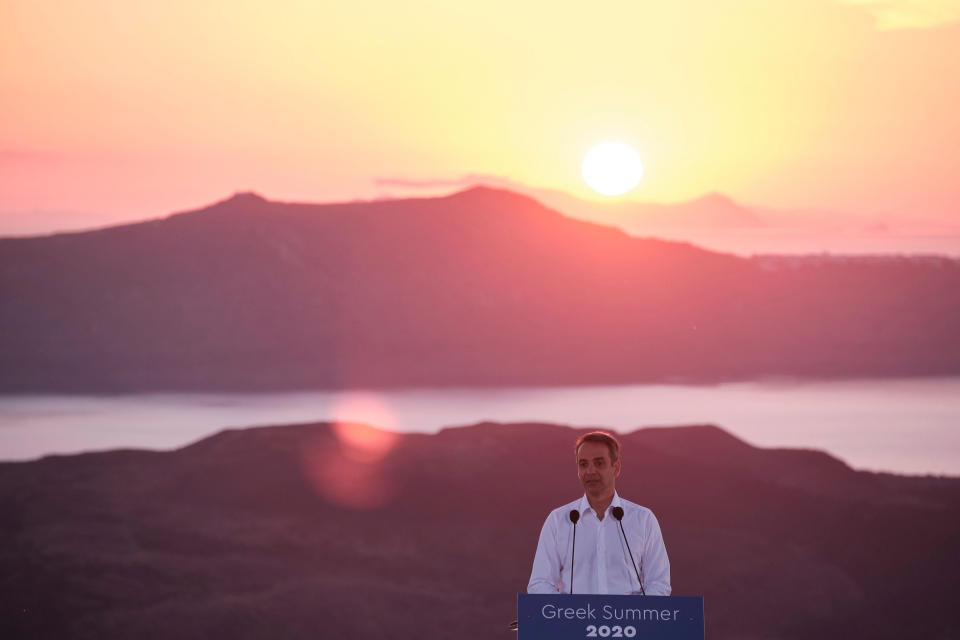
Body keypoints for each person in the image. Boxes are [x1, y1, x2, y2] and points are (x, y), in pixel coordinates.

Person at [527, 431, 671, 595]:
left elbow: (659, 584)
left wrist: (638, 617)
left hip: (630, 620)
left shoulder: (643, 520)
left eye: (599, 463)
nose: (590, 471)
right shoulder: (558, 521)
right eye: (583, 464)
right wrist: (567, 615)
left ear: (616, 468)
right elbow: (540, 584)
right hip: (572, 619)